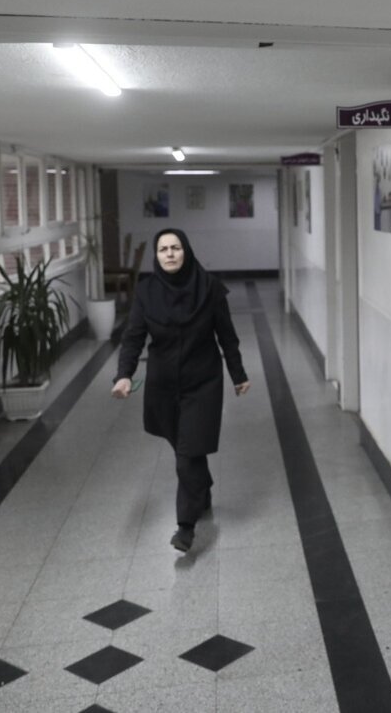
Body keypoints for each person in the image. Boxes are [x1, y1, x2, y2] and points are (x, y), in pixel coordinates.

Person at [111, 229, 250, 552]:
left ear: (186, 251)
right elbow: (133, 337)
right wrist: (124, 375)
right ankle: (203, 486)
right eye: (163, 249)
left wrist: (238, 373)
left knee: (186, 454)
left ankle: (185, 527)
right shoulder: (146, 291)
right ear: (157, 256)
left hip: (203, 381)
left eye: (175, 248)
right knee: (186, 448)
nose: (170, 254)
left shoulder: (209, 288)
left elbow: (226, 335)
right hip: (162, 384)